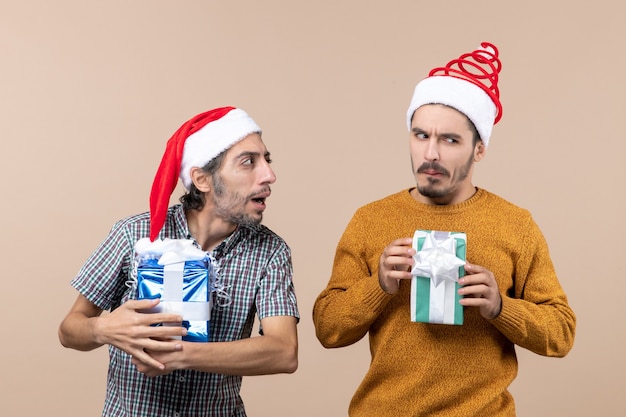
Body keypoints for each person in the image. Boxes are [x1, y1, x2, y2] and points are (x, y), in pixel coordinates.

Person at [312, 43, 576, 416]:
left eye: (450, 140)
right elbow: (328, 329)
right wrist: (379, 286)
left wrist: (500, 307)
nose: (431, 154)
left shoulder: (515, 224)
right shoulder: (370, 220)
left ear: (479, 149)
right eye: (421, 136)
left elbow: (561, 333)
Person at [58, 106, 299, 417]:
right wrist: (103, 329)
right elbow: (69, 329)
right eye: (248, 163)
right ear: (202, 179)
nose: (269, 175)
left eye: (266, 160)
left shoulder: (270, 251)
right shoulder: (134, 234)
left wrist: (179, 354)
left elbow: (283, 352)